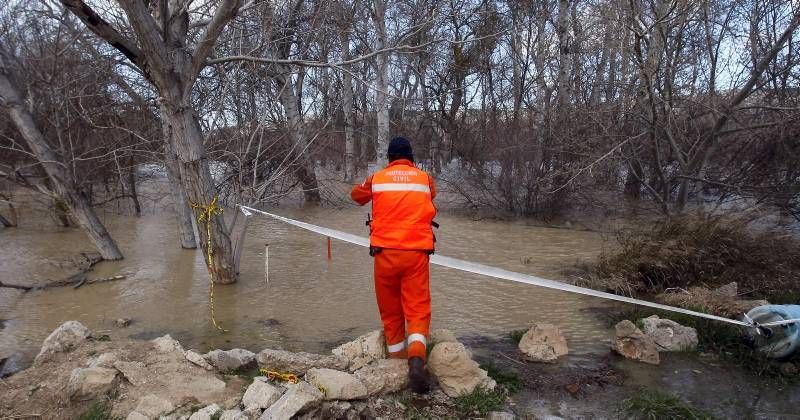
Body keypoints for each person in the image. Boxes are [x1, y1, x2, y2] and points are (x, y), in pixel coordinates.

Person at [350, 136, 436, 394]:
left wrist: (370, 183)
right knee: (418, 307)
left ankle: (397, 361)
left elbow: (356, 196)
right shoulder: (424, 178)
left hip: (385, 253)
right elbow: (433, 194)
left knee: (390, 309)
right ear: (411, 157)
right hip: (416, 254)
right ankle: (417, 360)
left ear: (389, 158)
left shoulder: (377, 179)